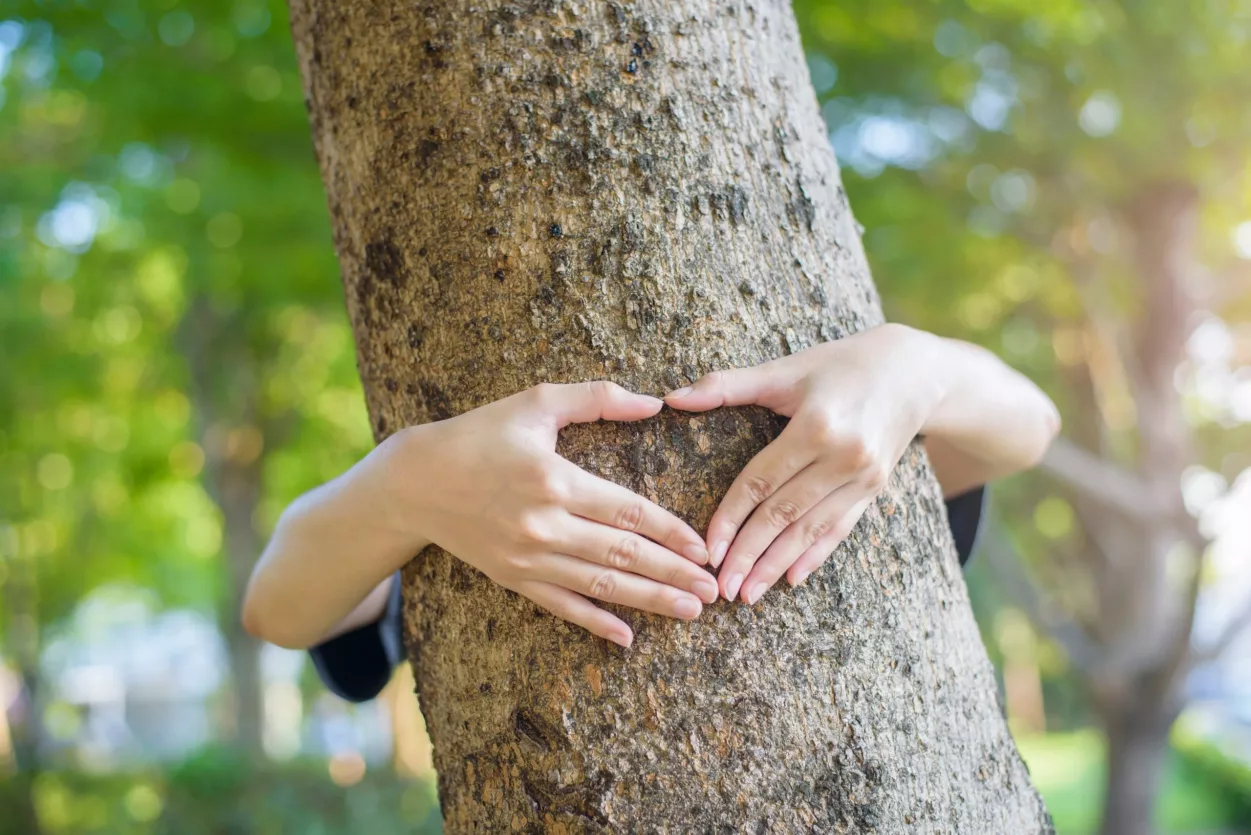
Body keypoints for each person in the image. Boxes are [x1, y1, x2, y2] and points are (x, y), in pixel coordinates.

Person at [242, 323, 1059, 702]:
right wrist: (404, 479)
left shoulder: (844, 460)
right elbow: (282, 605)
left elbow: (1023, 428)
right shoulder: (473, 514)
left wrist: (914, 365)